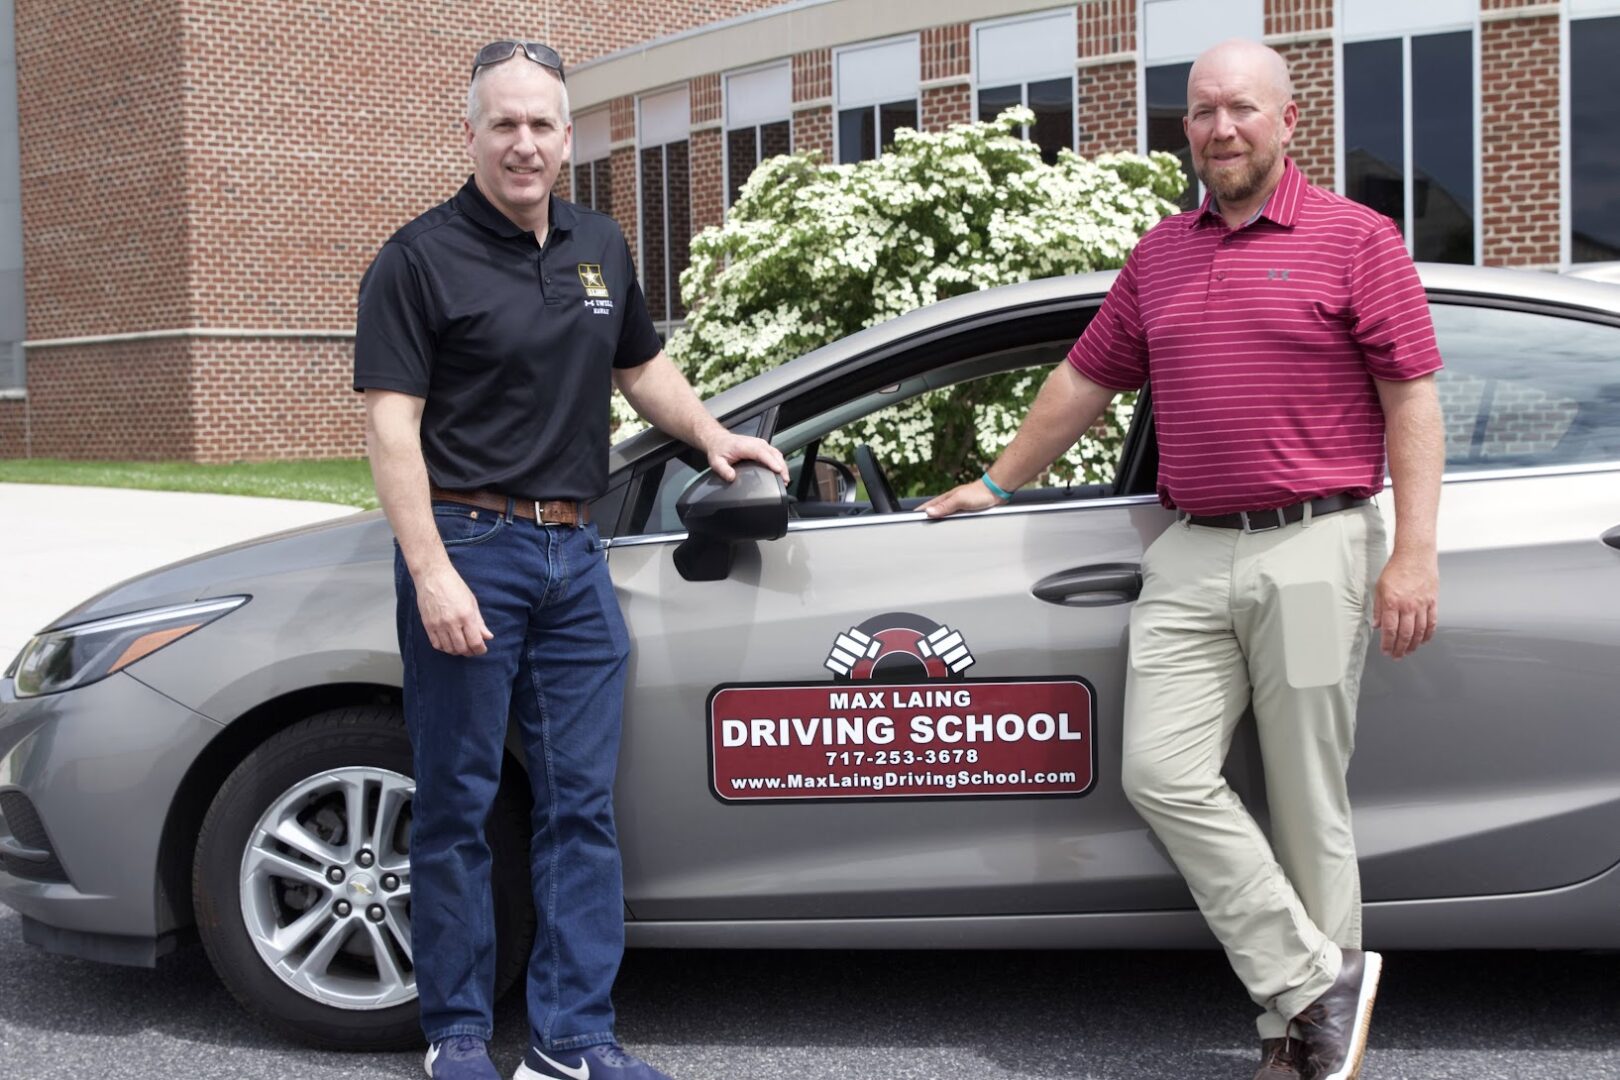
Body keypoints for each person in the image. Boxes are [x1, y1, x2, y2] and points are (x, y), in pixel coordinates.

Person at [922, 38, 1442, 1080]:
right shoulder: (1162, 254)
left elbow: (1412, 397)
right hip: (1194, 549)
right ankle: (1312, 983)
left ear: (1288, 121)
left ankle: (1295, 1048)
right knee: (1160, 772)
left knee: (1305, 801)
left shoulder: (1358, 239)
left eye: (1240, 109)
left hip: (1320, 539)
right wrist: (997, 481)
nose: (1219, 129)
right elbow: (1084, 379)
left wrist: (1414, 555)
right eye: (1202, 112)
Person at [354, 39, 786, 1080]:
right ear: (470, 134)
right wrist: (432, 571)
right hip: (473, 544)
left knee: (579, 804)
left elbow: (642, 367)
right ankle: (456, 1033)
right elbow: (390, 428)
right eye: (503, 123)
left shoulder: (599, 243)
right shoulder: (416, 259)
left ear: (566, 136)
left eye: (542, 125)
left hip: (572, 555)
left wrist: (713, 436)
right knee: (457, 802)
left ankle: (573, 1039)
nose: (524, 143)